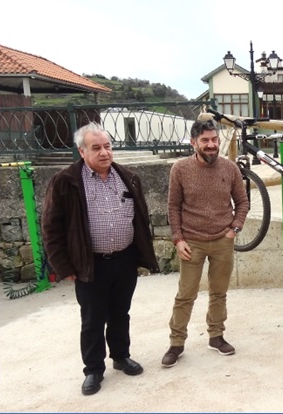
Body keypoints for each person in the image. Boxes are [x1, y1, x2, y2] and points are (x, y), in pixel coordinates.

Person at [42, 122, 160, 396]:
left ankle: (120, 356)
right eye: (96, 148)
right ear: (82, 151)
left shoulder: (128, 177)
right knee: (93, 319)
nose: (104, 152)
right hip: (90, 263)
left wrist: (140, 254)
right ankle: (93, 370)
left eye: (108, 146)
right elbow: (51, 227)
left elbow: (140, 218)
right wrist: (63, 266)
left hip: (125, 260)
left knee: (120, 313)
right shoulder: (65, 181)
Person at [161, 118, 249, 368]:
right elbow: (173, 206)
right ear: (193, 143)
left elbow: (242, 203)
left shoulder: (230, 168)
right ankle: (176, 343)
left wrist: (234, 229)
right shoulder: (180, 168)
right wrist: (178, 239)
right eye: (205, 141)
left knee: (219, 293)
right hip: (192, 242)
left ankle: (216, 336)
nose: (211, 145)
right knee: (186, 294)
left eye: (214, 140)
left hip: (223, 240)